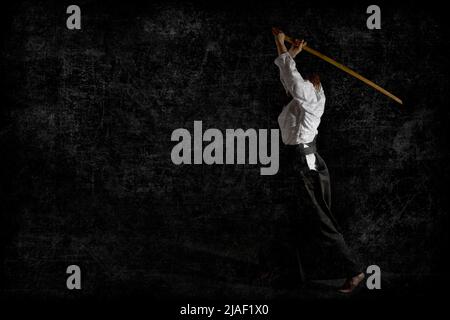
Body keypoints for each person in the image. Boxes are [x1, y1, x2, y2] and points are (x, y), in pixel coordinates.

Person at [271, 27, 365, 293]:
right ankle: (289, 272)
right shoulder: (302, 100)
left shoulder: (312, 97)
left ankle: (355, 270)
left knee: (321, 221)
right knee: (291, 218)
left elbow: (293, 80)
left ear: (315, 85)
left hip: (304, 164)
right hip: (295, 161)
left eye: (306, 82)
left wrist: (281, 44)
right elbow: (288, 79)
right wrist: (290, 51)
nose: (299, 87)